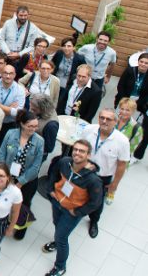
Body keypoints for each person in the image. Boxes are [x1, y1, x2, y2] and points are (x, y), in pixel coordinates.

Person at [42, 139, 103, 276]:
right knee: (56, 224)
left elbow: (95, 203)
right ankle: (57, 243)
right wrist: (51, 189)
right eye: (75, 149)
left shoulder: (93, 180)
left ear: (88, 155)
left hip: (72, 212)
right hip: (58, 202)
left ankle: (60, 267)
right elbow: (54, 173)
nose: (77, 153)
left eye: (82, 151)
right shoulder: (65, 162)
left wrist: (77, 212)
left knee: (62, 237)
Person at [80, 108, 130, 238]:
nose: (104, 121)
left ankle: (94, 221)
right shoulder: (88, 130)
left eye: (108, 119)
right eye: (102, 117)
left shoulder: (122, 141)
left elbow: (121, 165)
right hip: (83, 171)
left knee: (97, 202)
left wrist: (115, 184)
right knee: (78, 193)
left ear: (115, 121)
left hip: (102, 177)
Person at [0, 111, 44, 240]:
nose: (33, 129)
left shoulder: (39, 141)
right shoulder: (10, 134)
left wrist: (20, 183)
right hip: (8, 176)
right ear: (22, 124)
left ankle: (21, 229)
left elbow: (36, 166)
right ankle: (4, 225)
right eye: (30, 126)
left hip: (27, 180)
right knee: (6, 202)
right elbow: (2, 154)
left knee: (24, 204)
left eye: (35, 126)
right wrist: (4, 175)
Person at [0, 64, 25, 139]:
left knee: (6, 148)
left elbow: (17, 113)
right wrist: (9, 108)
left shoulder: (20, 90)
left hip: (9, 124)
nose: (8, 76)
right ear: (1, 74)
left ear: (15, 75)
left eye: (10, 73)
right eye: (5, 73)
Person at [29, 93, 60, 160]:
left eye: (34, 110)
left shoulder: (51, 125)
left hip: (36, 155)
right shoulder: (38, 110)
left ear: (42, 109)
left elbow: (49, 148)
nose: (31, 110)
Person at [115, 98, 143, 163]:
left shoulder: (137, 129)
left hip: (118, 161)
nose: (124, 112)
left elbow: (130, 149)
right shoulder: (112, 119)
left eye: (127, 110)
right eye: (122, 109)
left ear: (133, 111)